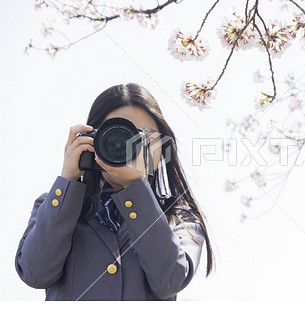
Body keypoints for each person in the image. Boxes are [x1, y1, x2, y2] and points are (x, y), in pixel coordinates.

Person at [14, 83, 215, 301]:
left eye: (145, 137)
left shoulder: (181, 219)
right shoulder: (55, 205)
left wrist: (136, 188)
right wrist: (67, 179)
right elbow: (35, 273)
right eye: (119, 136)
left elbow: (169, 282)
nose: (132, 147)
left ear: (164, 147)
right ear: (92, 141)